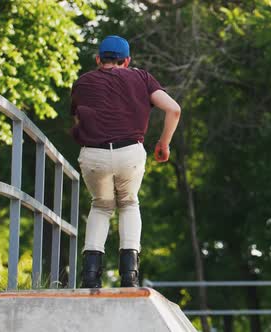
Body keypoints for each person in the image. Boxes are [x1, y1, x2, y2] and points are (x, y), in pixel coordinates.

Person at [71, 35, 181, 288]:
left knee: (100, 206)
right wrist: (163, 143)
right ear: (127, 60)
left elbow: (78, 121)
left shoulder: (83, 82)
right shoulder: (141, 77)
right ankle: (129, 275)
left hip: (94, 154)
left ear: (98, 59)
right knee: (129, 204)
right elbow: (174, 109)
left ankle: (90, 275)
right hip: (129, 153)